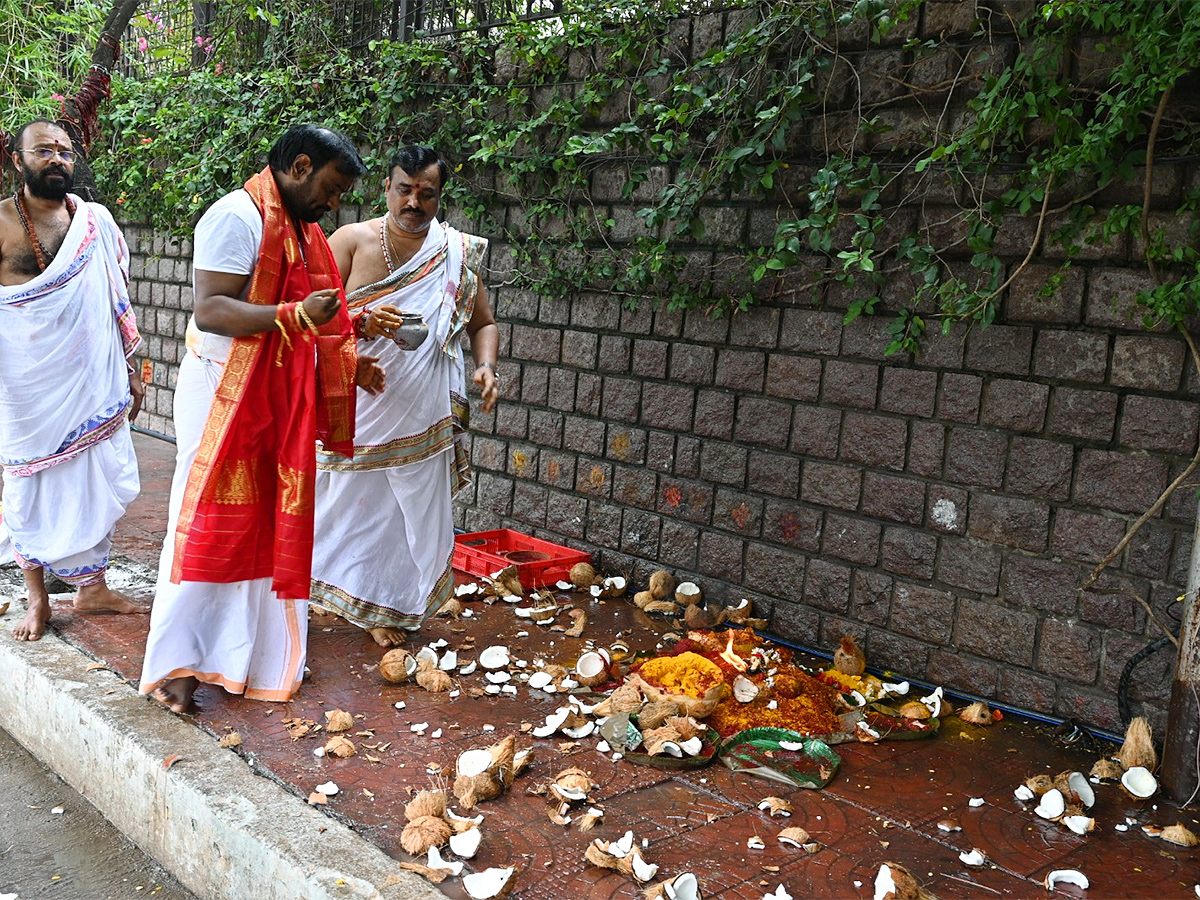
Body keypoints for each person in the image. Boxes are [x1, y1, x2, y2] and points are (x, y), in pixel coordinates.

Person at [139, 125, 382, 711]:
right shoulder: (236, 216)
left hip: (272, 394)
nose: (336, 203)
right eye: (332, 187)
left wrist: (350, 334)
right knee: (210, 523)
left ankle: (246, 657)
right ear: (300, 166)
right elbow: (213, 309)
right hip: (226, 393)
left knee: (267, 524)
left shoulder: (302, 230)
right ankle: (181, 666)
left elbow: (311, 317)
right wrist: (296, 315)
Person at [310, 146, 498, 647]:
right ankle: (308, 589)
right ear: (387, 189)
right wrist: (354, 349)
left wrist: (484, 367)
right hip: (357, 403)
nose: (414, 202)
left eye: (427, 194)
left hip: (424, 405)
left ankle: (386, 607)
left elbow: (484, 323)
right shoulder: (350, 241)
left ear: (439, 197)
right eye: (404, 190)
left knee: (404, 509)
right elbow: (308, 315)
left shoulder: (456, 253)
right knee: (343, 501)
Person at [0, 119, 146, 642]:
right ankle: (37, 598)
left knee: (95, 475)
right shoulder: (1, 224)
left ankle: (93, 587)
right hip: (25, 387)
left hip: (91, 376)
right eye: (44, 151)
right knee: (27, 486)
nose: (57, 158)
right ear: (18, 162)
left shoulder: (94, 221)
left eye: (64, 150)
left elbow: (114, 297)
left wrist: (130, 368)